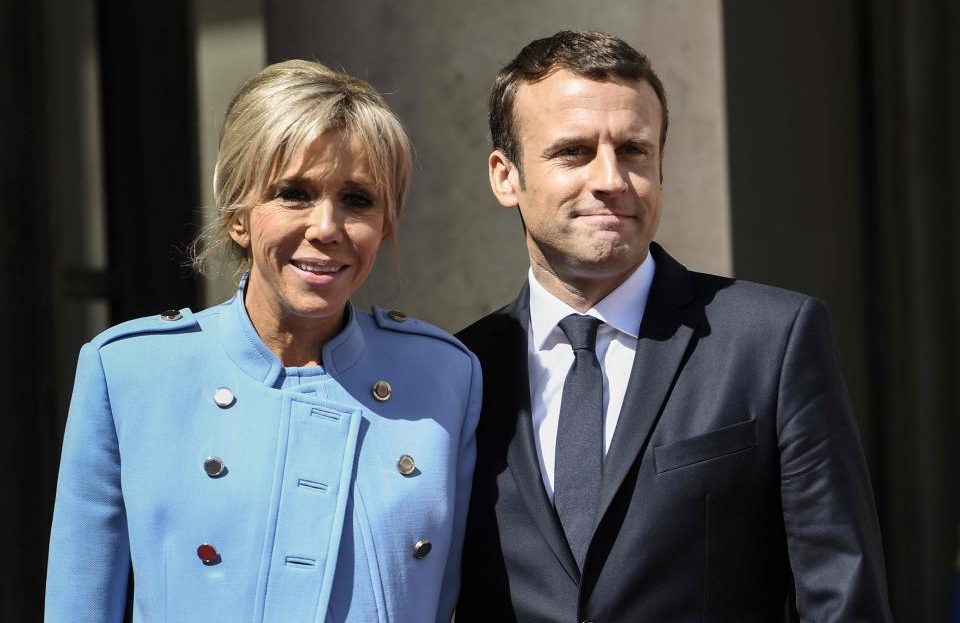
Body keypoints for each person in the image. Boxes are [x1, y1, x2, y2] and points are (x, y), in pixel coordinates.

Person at [456, 30, 891, 622]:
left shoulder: (770, 340)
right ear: (505, 176)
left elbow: (841, 590)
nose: (611, 179)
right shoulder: (461, 370)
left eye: (634, 150)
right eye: (574, 152)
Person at [45, 60, 481, 622]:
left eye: (358, 199)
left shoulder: (446, 376)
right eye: (293, 193)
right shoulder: (130, 371)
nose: (327, 227)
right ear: (237, 216)